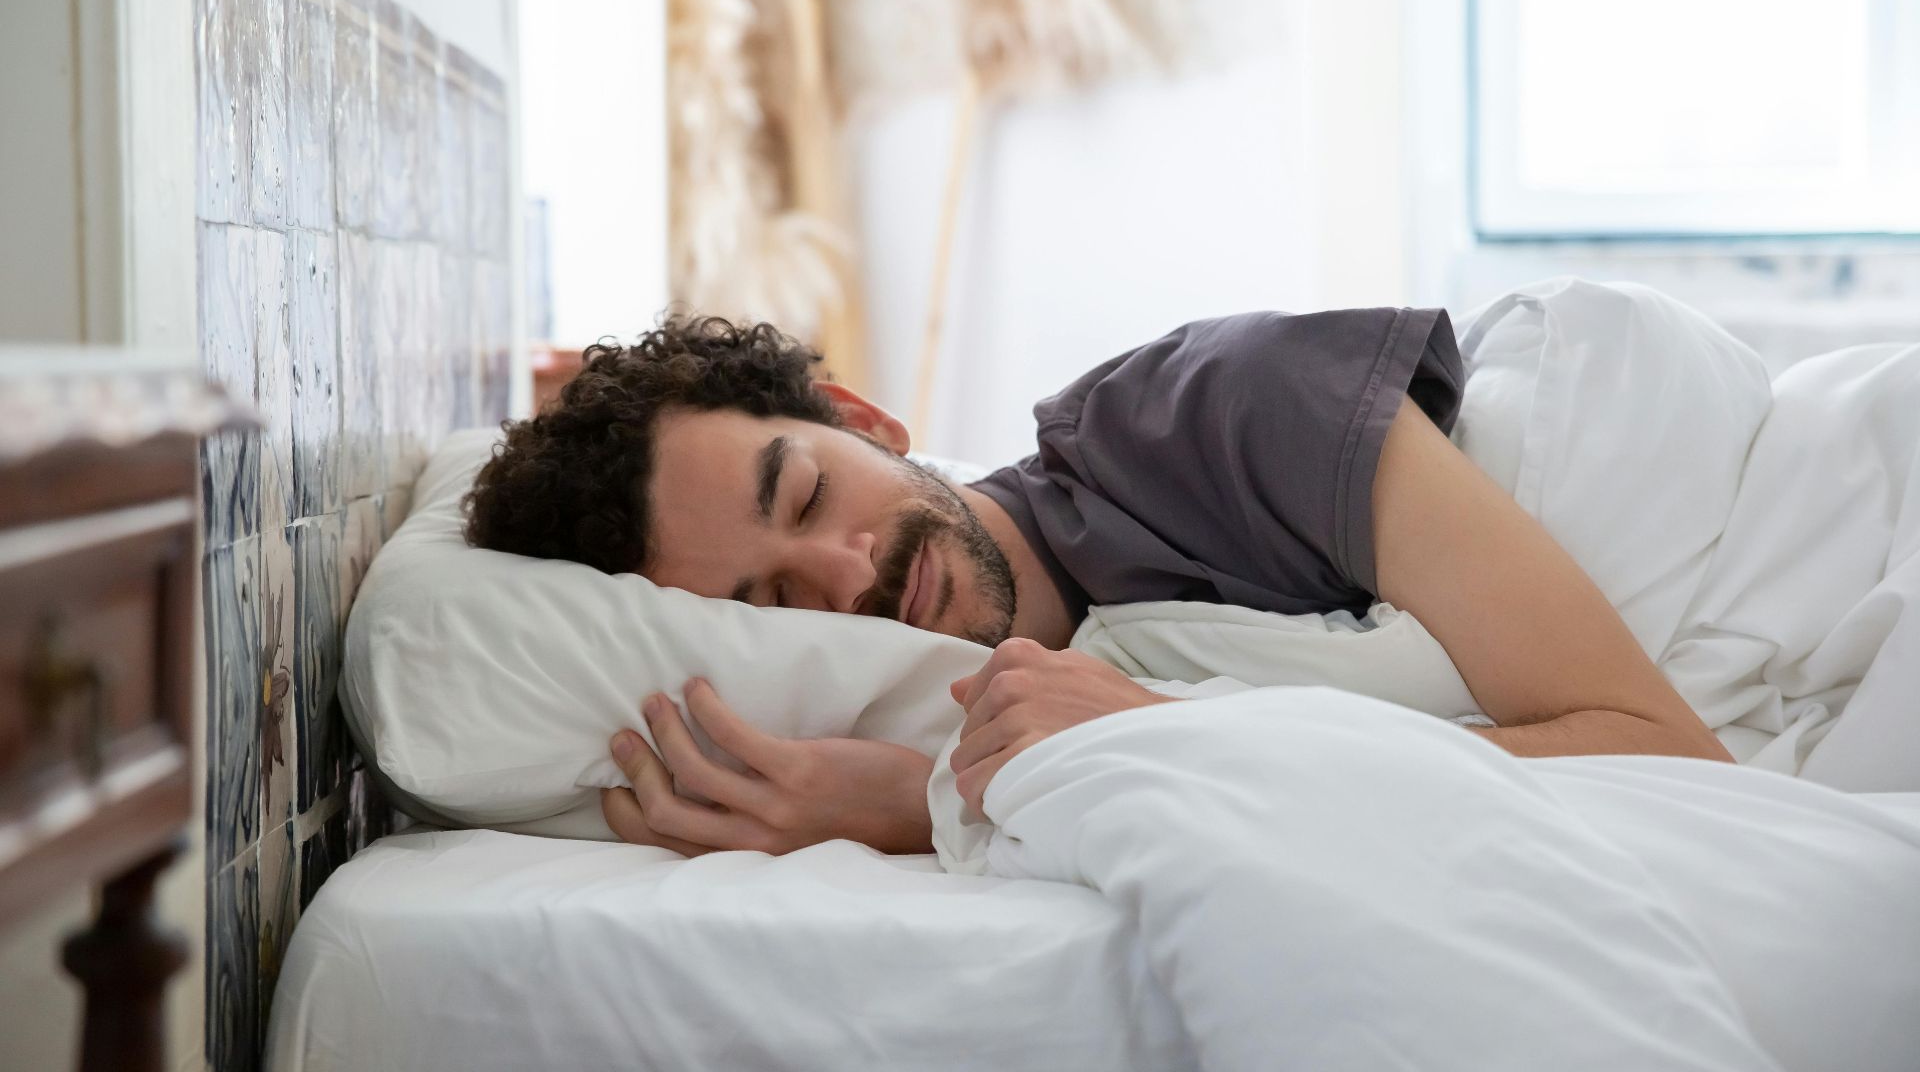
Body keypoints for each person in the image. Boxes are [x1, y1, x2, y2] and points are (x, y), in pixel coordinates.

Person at [464, 313, 1733, 857]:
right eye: (771, 608)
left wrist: (1146, 756)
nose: (848, 578)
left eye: (804, 497)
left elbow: (1664, 755)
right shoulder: (988, 695)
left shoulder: (1215, 414)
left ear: (867, 418)